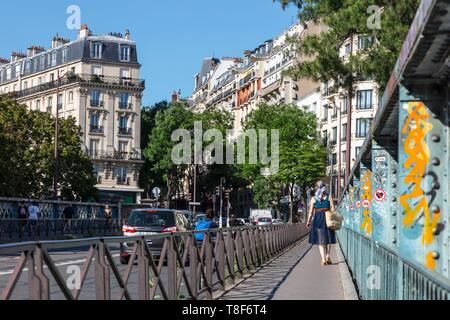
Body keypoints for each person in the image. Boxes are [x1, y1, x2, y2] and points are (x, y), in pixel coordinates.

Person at [306, 181, 337, 266]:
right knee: (328, 238)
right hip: (327, 218)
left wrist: (308, 221)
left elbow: (311, 212)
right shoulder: (328, 196)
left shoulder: (313, 199)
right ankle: (327, 256)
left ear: (316, 187)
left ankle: (323, 259)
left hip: (318, 219)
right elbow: (333, 209)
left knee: (320, 240)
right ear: (324, 187)